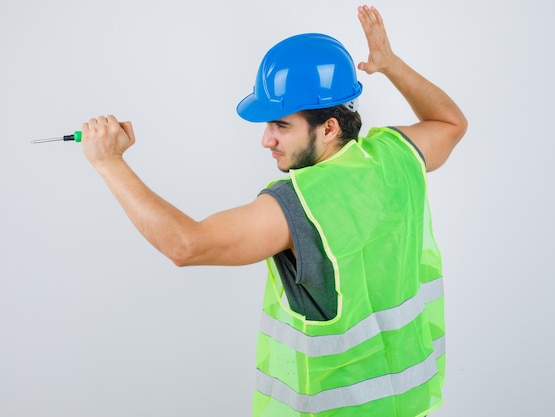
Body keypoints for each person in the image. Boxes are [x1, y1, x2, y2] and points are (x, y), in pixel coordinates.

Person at [80, 4, 467, 417]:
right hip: (406, 405)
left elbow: (185, 245)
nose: (266, 140)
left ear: (329, 127)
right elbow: (450, 123)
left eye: (281, 125)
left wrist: (109, 163)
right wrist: (390, 65)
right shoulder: (396, 155)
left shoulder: (298, 205)